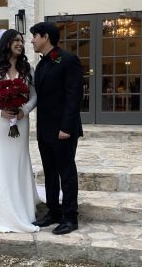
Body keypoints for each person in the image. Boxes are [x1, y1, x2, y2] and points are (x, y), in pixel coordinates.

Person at [0, 29, 40, 233]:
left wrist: (24, 110)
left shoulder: (27, 68)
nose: (20, 43)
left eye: (22, 40)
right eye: (16, 40)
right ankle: (3, 212)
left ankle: (24, 211)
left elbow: (34, 95)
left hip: (20, 121)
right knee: (0, 164)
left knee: (18, 163)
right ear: (6, 43)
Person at [30, 22, 83, 235]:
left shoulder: (68, 60)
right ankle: (54, 212)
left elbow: (74, 96)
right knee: (50, 173)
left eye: (35, 36)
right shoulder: (42, 65)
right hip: (45, 130)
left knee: (66, 173)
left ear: (46, 37)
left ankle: (70, 218)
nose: (32, 40)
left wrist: (67, 128)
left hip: (63, 130)